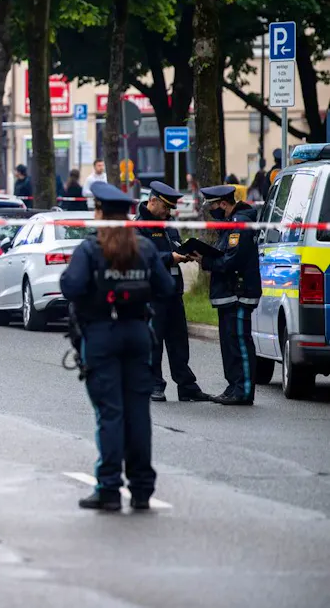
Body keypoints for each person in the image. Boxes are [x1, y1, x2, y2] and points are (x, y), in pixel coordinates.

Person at [60, 181, 174, 511]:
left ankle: (109, 487)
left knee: (110, 413)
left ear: (100, 213)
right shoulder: (145, 248)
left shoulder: (90, 248)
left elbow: (70, 286)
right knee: (138, 412)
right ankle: (141, 488)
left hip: (100, 335)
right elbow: (166, 288)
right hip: (138, 333)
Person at [136, 182, 211, 402]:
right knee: (154, 342)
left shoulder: (168, 225)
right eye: (165, 207)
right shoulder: (139, 227)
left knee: (179, 342)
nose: (168, 212)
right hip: (151, 295)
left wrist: (186, 252)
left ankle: (186, 386)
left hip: (173, 292)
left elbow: (176, 246)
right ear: (152, 201)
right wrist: (171, 258)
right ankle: (154, 385)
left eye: (170, 209)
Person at [190, 185, 262, 405]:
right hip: (229, 294)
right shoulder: (229, 224)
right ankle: (233, 386)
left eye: (212, 205)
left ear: (223, 203)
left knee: (240, 342)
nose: (211, 210)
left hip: (239, 293)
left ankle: (244, 390)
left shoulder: (239, 224)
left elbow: (233, 259)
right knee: (229, 344)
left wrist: (207, 261)